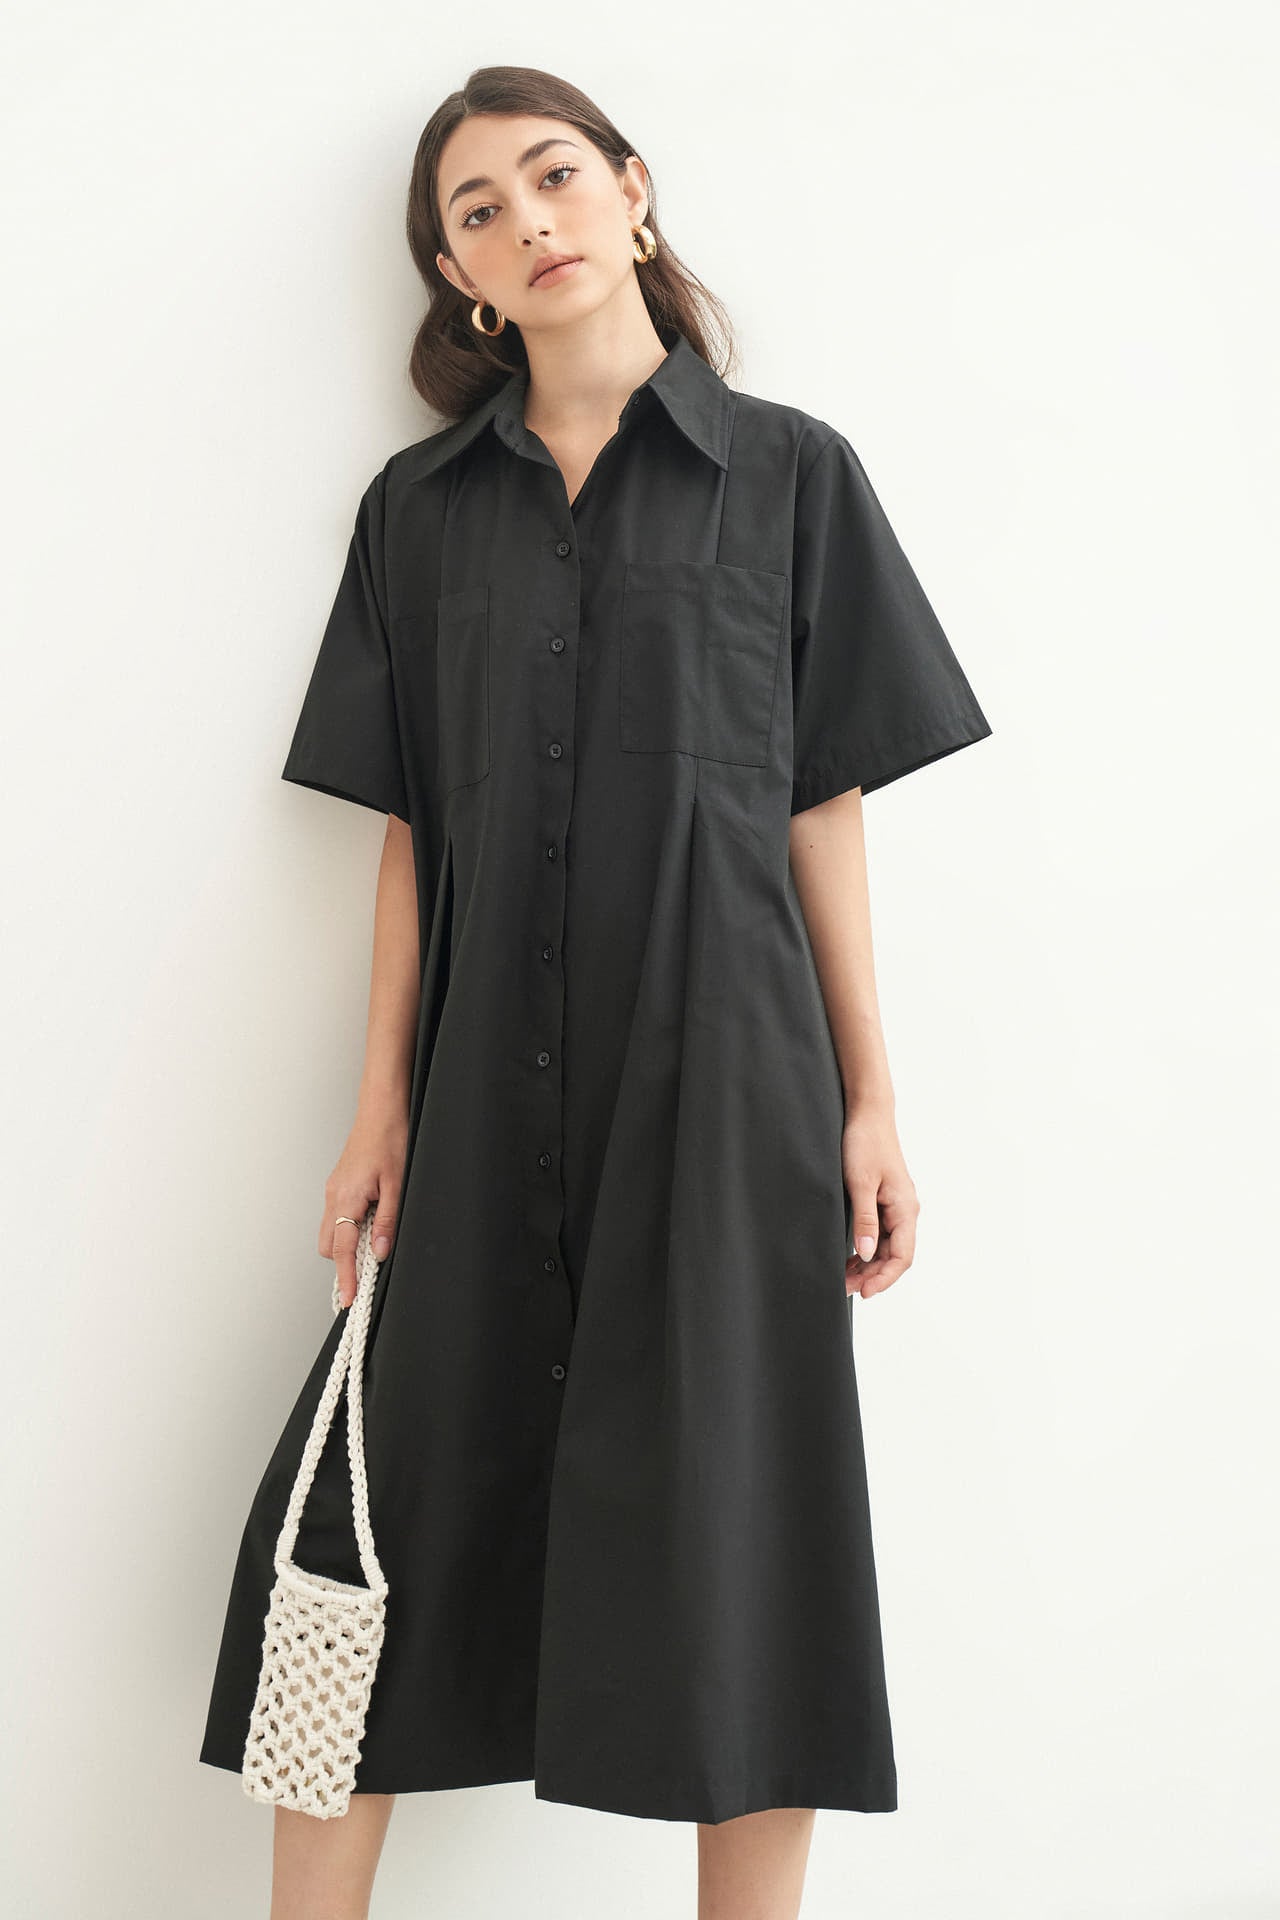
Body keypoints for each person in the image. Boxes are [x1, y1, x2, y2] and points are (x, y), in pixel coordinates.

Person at [198, 63, 993, 1920]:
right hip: (480, 1100)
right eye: (478, 211)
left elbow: (821, 803)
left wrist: (872, 1101)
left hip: (726, 1092)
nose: (529, 221)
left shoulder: (788, 475)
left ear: (633, 194)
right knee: (365, 1531)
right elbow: (413, 828)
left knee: (749, 1535)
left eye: (554, 177)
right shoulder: (417, 515)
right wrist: (380, 1109)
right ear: (462, 277)